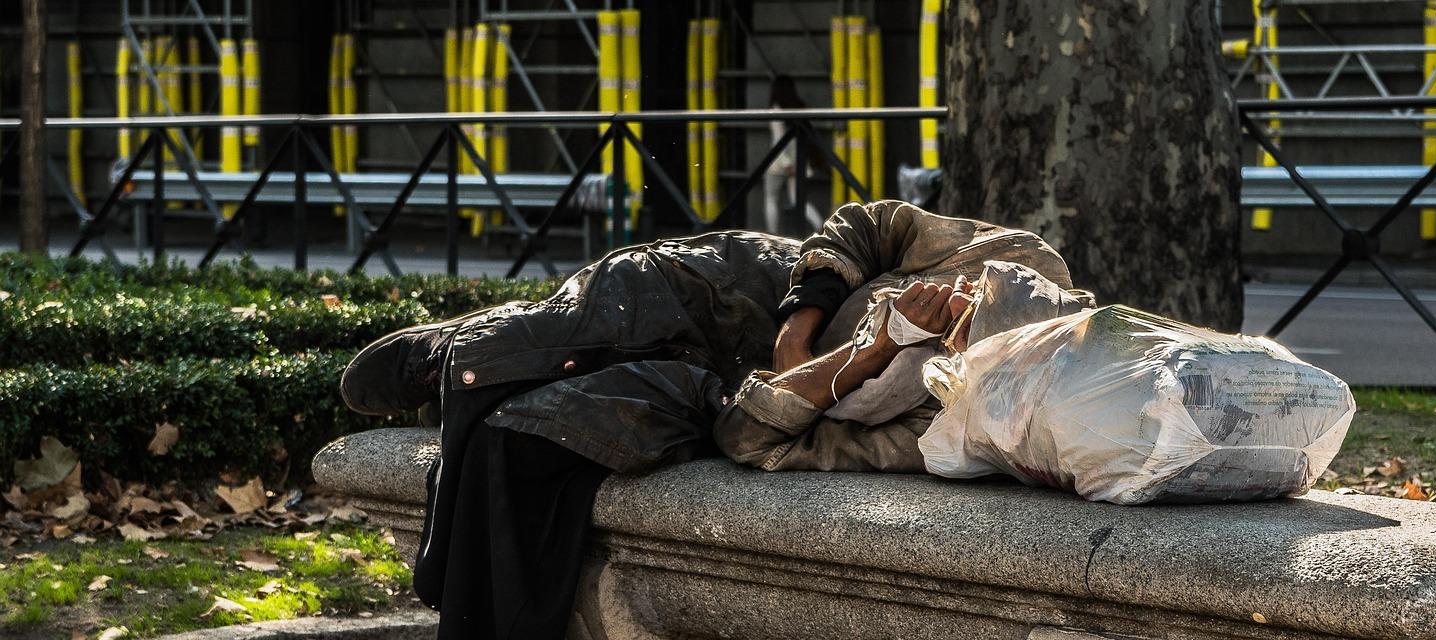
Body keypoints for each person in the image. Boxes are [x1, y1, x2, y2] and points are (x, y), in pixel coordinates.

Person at [337, 199, 1073, 640]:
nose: (954, 306)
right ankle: (461, 352)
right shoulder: (1017, 256)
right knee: (586, 323)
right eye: (962, 296)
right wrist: (799, 329)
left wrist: (880, 347)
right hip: (735, 290)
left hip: (713, 390)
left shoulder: (933, 431)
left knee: (527, 440)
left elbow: (750, 439)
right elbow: (869, 225)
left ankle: (488, 361)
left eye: (960, 331)